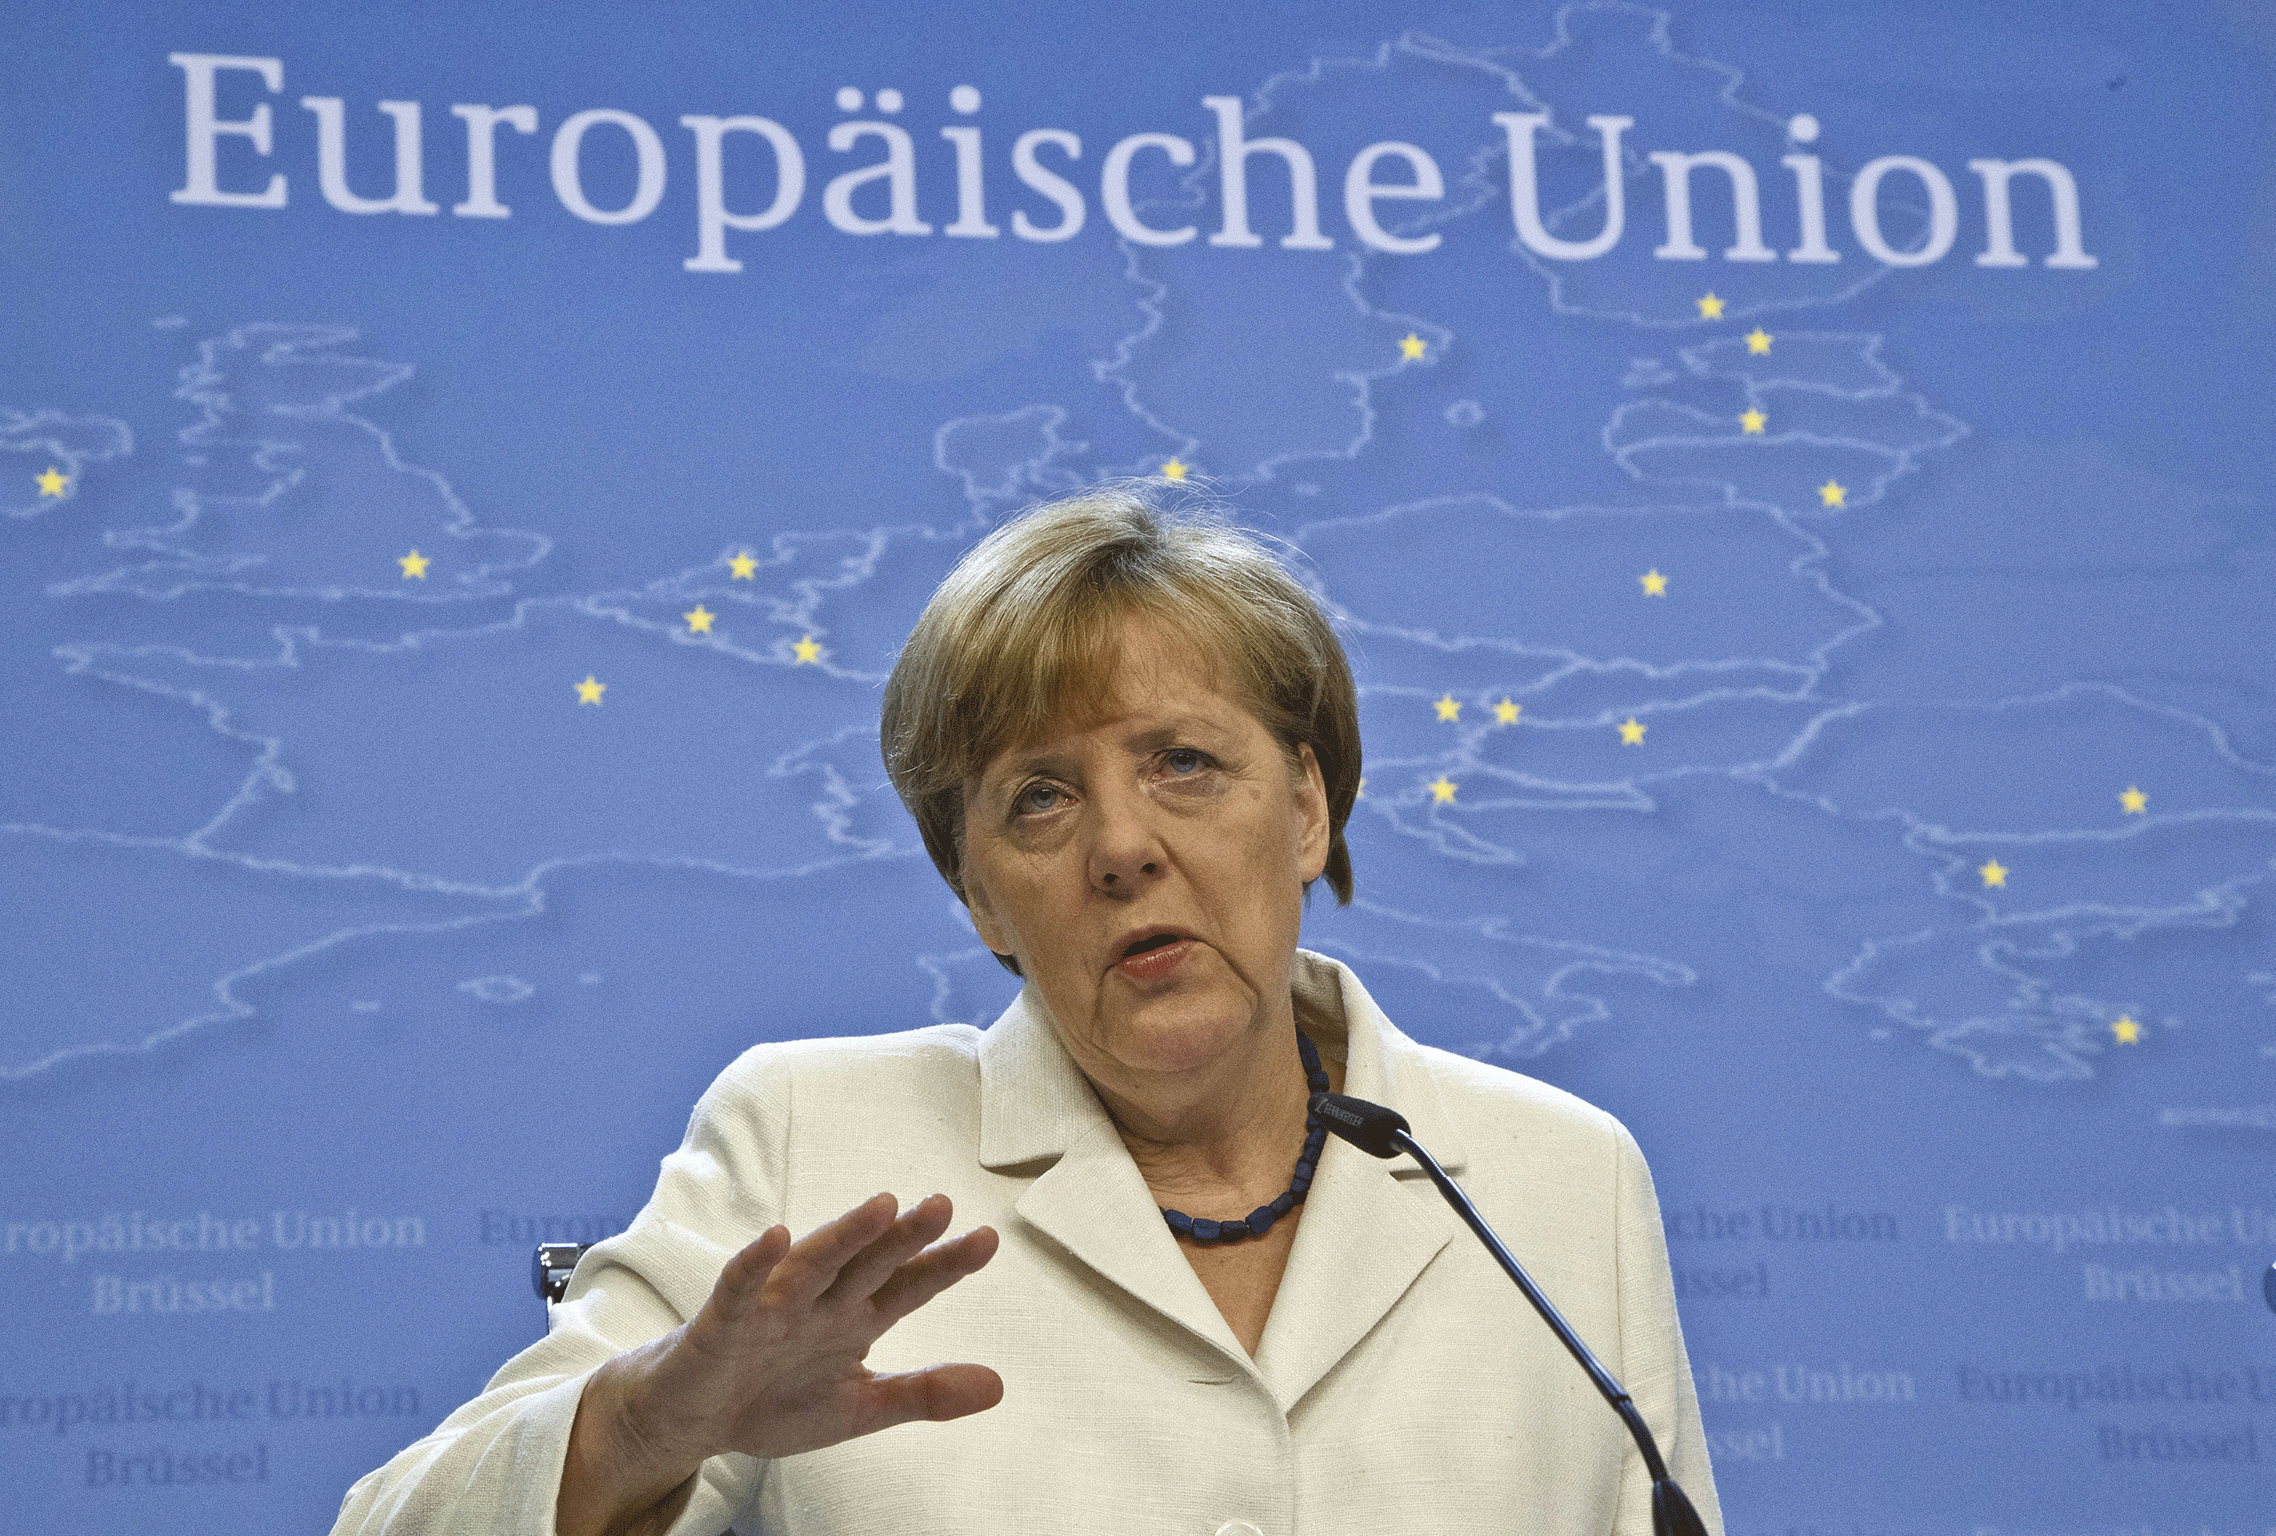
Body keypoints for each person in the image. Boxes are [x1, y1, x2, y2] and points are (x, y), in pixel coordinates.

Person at [332, 486, 1722, 1536]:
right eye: (1038, 798)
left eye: (1183, 762)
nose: (1119, 845)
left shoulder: (1557, 1179)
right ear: (982, 900)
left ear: (1308, 806)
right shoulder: (813, 1143)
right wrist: (647, 1429)